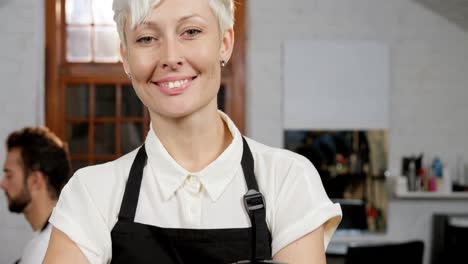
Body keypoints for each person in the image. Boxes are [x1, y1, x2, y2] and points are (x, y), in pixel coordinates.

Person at [44, 0, 342, 263]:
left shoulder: (286, 180)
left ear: (224, 43)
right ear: (125, 57)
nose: (170, 57)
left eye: (191, 32)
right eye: (147, 38)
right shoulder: (90, 193)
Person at [1, 127, 71, 264]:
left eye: (9, 175)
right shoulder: (58, 236)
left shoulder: (45, 251)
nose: (2, 184)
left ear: (35, 180)